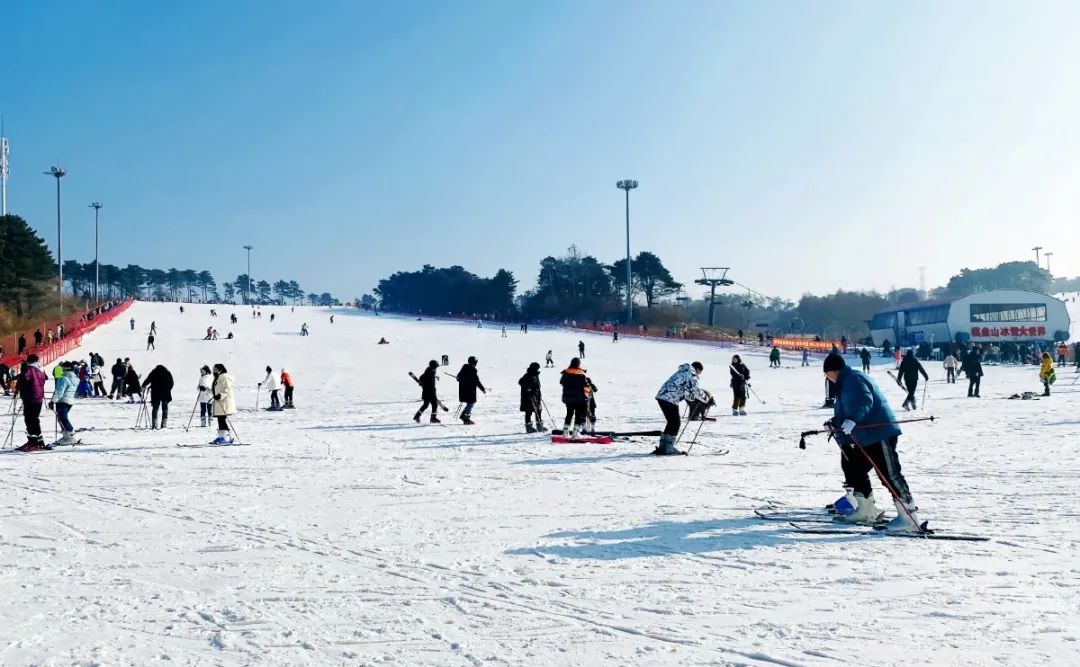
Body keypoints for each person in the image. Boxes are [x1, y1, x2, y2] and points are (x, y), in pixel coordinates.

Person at [823, 354, 922, 533]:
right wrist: (835, 423)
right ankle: (865, 509)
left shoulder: (854, 379)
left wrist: (853, 420)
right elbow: (845, 411)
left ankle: (909, 518)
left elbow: (864, 401)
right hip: (865, 436)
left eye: (827, 374)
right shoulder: (844, 384)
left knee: (889, 474)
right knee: (854, 468)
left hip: (879, 432)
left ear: (834, 370)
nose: (827, 378)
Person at [654, 362, 708, 455]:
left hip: (663, 396)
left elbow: (686, 391)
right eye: (699, 373)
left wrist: (693, 398)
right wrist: (706, 399)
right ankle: (668, 448)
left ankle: (664, 447)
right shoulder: (691, 374)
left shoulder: (683, 371)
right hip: (670, 398)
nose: (698, 375)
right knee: (675, 423)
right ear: (698, 369)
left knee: (672, 422)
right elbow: (696, 390)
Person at [16, 354, 49, 451]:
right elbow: (45, 378)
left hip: (30, 396)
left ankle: (33, 441)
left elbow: (24, 378)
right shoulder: (41, 369)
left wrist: (18, 384)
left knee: (29, 419)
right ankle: (38, 440)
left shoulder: (29, 369)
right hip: (39, 397)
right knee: (34, 418)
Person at [560, 357, 593, 438]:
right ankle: (575, 432)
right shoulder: (581, 374)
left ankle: (565, 431)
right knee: (578, 415)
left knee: (569, 414)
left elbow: (561, 382)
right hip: (579, 398)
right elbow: (586, 386)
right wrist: (588, 392)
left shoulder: (566, 372)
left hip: (568, 397)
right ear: (578, 364)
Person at [48, 362, 78, 445]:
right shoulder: (75, 378)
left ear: (65, 369)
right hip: (70, 400)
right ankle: (66, 436)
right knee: (62, 418)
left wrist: (53, 401)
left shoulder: (63, 378)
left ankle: (70, 435)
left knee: (62, 418)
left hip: (62, 400)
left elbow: (59, 391)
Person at [210, 363, 237, 444]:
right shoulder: (217, 378)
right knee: (220, 420)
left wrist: (220, 395)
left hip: (224, 403)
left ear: (220, 369)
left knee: (222, 420)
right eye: (213, 369)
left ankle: (226, 437)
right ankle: (221, 436)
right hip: (219, 402)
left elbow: (228, 391)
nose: (213, 370)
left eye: (215, 369)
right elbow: (215, 391)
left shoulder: (224, 378)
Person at [456, 356, 486, 425]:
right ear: (474, 363)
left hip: (463, 391)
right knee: (471, 403)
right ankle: (466, 419)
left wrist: (461, 379)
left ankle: (463, 415)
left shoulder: (463, 368)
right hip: (470, 391)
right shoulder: (473, 370)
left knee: (469, 404)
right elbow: (477, 381)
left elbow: (458, 378)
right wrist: (483, 389)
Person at [143, 364, 174, 429]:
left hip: (155, 393)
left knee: (155, 408)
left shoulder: (154, 372)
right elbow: (171, 383)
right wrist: (168, 389)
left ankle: (154, 425)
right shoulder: (167, 373)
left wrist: (143, 386)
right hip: (165, 393)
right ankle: (164, 424)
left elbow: (148, 379)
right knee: (165, 409)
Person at [518, 362, 545, 433]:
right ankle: (529, 428)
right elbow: (521, 382)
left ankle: (539, 427)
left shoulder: (534, 374)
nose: (538, 369)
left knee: (538, 410)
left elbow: (536, 386)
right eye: (537, 368)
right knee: (528, 411)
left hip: (536, 396)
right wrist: (527, 388)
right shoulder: (529, 375)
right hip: (529, 397)